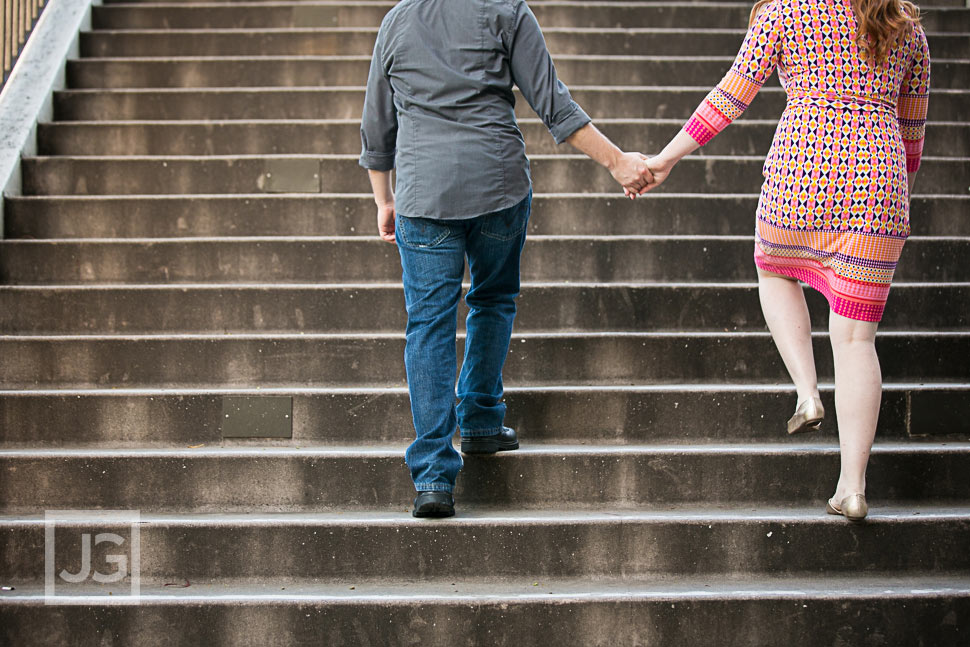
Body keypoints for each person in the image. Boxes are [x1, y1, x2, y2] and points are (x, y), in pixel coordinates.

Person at [359, 0, 652, 517]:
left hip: (422, 195)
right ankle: (480, 420)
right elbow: (554, 105)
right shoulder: (507, 11)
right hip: (496, 184)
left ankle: (432, 475)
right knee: (492, 299)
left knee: (427, 325)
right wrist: (618, 162)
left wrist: (385, 199)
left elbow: (377, 127)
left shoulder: (396, 20)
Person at [639, 0, 930, 521]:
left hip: (804, 171)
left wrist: (665, 157)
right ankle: (853, 487)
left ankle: (806, 392)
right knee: (857, 340)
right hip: (879, 183)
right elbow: (913, 133)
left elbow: (731, 95)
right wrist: (896, 195)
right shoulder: (904, 26)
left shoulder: (785, 13)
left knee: (773, 269)